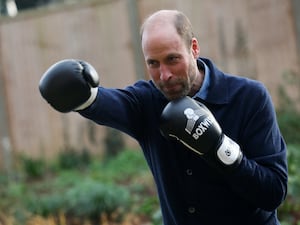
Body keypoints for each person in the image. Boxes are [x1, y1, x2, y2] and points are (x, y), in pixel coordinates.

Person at [39, 9, 288, 225]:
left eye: (172, 59)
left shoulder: (248, 97)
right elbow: (109, 104)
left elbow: (273, 192)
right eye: (153, 63)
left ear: (194, 48)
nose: (164, 75)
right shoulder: (147, 101)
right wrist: (83, 96)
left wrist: (222, 150)